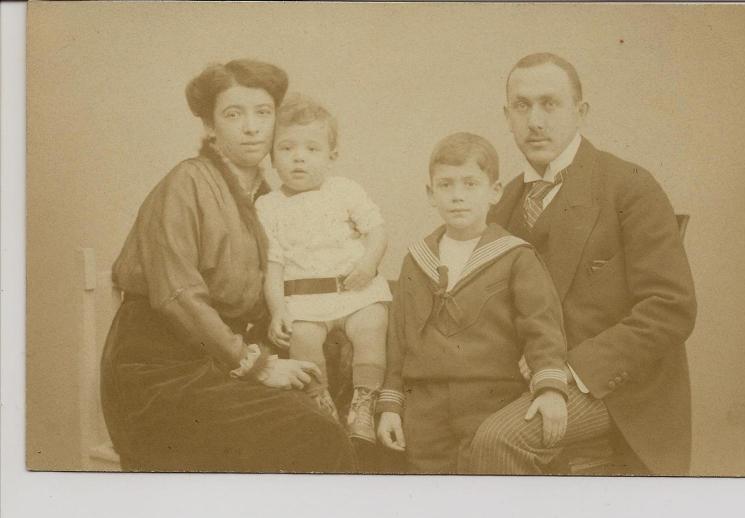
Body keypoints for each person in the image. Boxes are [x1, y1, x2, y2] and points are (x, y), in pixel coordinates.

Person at [100, 60, 356, 472]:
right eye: (234, 115)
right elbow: (177, 296)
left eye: (263, 113)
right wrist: (258, 365)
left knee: (339, 407)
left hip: (222, 361)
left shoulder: (272, 202)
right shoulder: (186, 183)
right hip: (158, 372)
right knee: (311, 432)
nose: (251, 128)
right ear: (209, 126)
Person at [471, 52, 697, 475]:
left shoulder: (629, 186)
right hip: (529, 378)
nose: (535, 120)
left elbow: (671, 309)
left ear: (581, 111)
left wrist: (568, 369)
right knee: (432, 424)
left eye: (550, 104)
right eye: (522, 106)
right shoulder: (503, 203)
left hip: (615, 388)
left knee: (500, 438)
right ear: (507, 116)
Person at [375, 132, 570, 474]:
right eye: (446, 185)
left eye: (470, 184)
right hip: (425, 407)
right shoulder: (416, 260)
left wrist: (550, 388)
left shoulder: (515, 257)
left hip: (492, 398)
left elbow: (542, 327)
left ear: (494, 192)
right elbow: (398, 340)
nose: (457, 196)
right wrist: (391, 404)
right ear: (430, 194)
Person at [255, 95, 392, 444]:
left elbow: (377, 231)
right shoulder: (268, 206)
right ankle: (320, 401)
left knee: (372, 323)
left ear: (332, 156)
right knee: (302, 336)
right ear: (272, 157)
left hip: (354, 290)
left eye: (312, 149)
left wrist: (368, 263)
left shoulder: (344, 190)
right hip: (305, 299)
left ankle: (364, 402)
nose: (299, 157)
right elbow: (273, 266)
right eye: (287, 148)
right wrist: (278, 310)